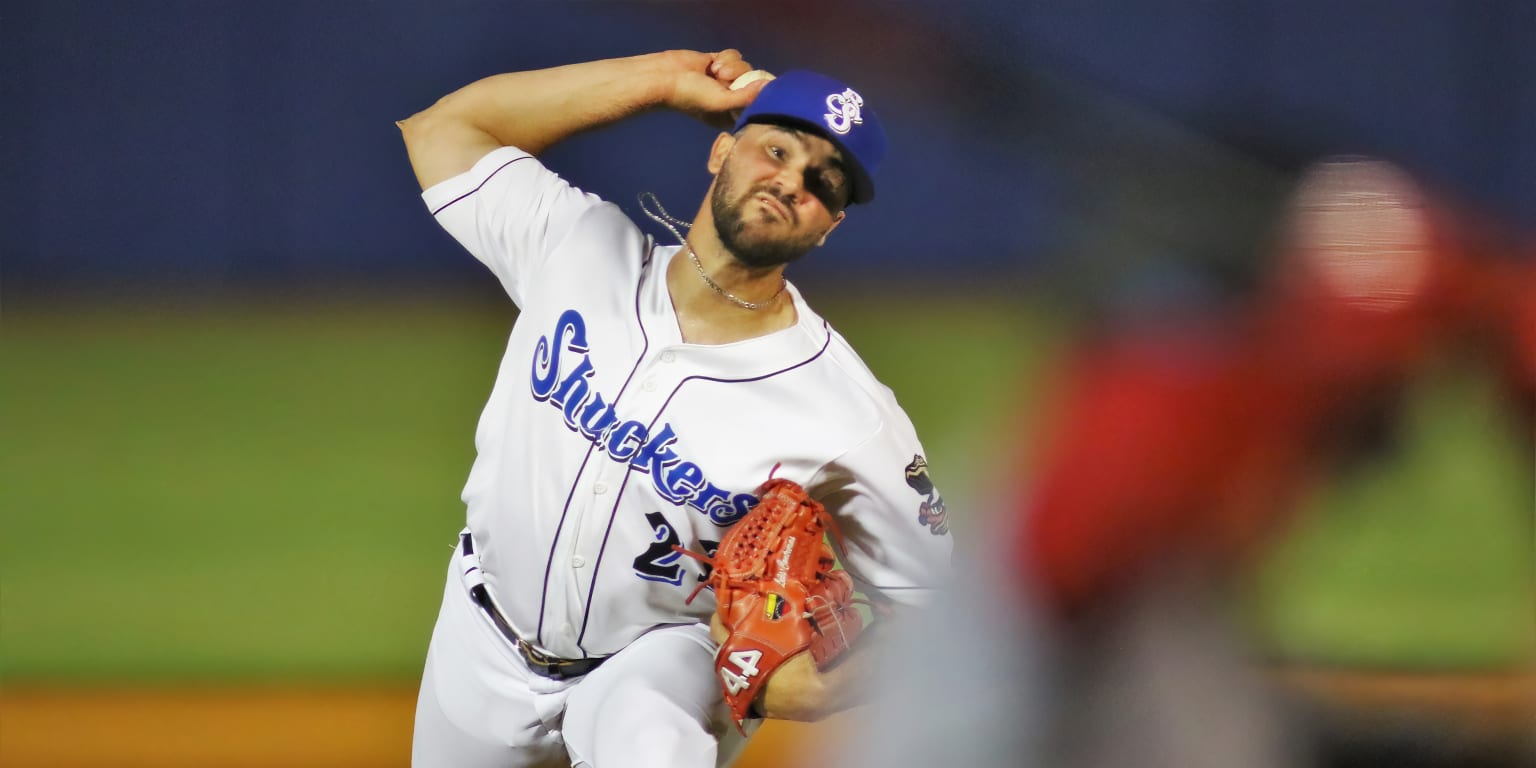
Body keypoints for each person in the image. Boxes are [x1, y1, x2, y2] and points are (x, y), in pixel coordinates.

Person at [396, 49, 953, 768]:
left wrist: (823, 687)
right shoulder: (575, 248)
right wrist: (661, 81)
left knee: (649, 738)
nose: (790, 179)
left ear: (829, 226)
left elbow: (952, 606)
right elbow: (444, 128)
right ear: (722, 149)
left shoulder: (848, 413)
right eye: (775, 149)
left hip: (660, 660)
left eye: (824, 181)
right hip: (482, 640)